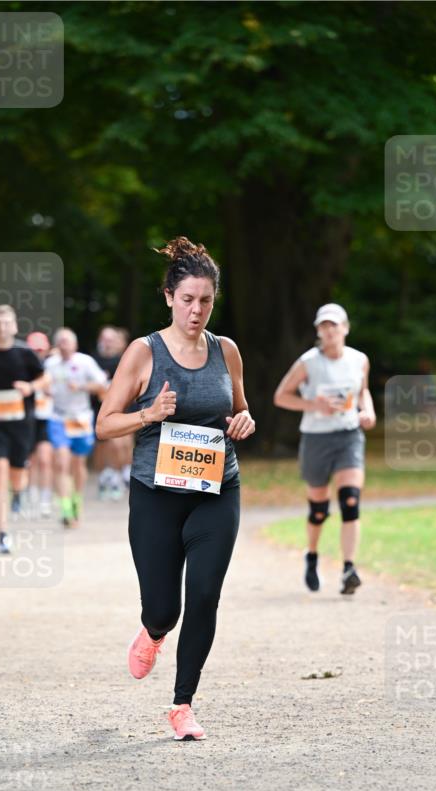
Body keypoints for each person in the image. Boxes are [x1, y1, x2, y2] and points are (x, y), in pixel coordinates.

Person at [97, 237, 255, 741]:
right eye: (187, 299)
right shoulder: (144, 353)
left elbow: (240, 406)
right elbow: (104, 425)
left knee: (205, 595)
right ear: (169, 296)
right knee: (165, 607)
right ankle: (153, 632)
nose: (197, 310)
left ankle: (182, 704)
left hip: (216, 489)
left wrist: (244, 421)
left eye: (206, 300)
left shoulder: (225, 350)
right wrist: (149, 413)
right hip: (156, 495)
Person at [273, 303, 376, 594]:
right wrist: (312, 405)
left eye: (334, 325)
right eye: (323, 326)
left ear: (345, 328)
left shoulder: (359, 360)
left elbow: (363, 391)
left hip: (348, 435)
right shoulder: (309, 362)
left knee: (350, 500)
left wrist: (367, 411)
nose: (329, 331)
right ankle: (312, 555)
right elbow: (281, 396)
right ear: (318, 331)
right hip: (316, 438)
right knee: (319, 508)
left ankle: (348, 569)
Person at [0, 305, 48, 553]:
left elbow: (44, 378)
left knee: (17, 475)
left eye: (7, 323)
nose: (3, 327)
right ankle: (2, 533)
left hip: (22, 424)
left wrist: (29, 387)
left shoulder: (25, 353)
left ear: (14, 326)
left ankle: (19, 492)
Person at [45, 327, 108, 526]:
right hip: (58, 417)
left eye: (67, 341)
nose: (64, 345)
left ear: (74, 344)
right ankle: (65, 508)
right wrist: (44, 390)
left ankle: (76, 499)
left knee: (78, 464)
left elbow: (102, 384)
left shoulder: (85, 362)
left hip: (80, 418)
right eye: (60, 341)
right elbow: (41, 383)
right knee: (61, 462)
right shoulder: (50, 364)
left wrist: (81, 387)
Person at [92, 326, 130, 500]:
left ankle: (118, 475)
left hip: (122, 407)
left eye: (111, 339)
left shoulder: (124, 360)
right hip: (97, 408)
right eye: (105, 339)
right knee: (102, 445)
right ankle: (104, 475)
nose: (108, 343)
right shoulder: (92, 360)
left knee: (120, 443)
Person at [26, 331, 54, 517]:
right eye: (34, 350)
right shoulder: (22, 366)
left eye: (40, 350)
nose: (38, 353)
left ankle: (45, 499)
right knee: (29, 461)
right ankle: (29, 496)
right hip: (27, 418)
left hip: (46, 416)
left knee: (44, 460)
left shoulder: (52, 366)